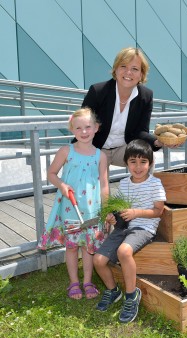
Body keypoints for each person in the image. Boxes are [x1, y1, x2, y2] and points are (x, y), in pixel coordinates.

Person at [39, 108, 109, 299]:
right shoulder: (66, 151)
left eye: (88, 127)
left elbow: (104, 183)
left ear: (96, 128)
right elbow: (51, 174)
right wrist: (62, 185)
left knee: (88, 246)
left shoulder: (100, 156)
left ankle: (87, 281)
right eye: (79, 128)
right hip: (71, 207)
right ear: (72, 130)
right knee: (71, 246)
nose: (84, 131)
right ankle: (73, 282)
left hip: (92, 209)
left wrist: (107, 209)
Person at [93, 139, 166, 323]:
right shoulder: (124, 183)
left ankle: (131, 295)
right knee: (99, 260)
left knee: (123, 251)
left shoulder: (154, 183)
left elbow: (159, 211)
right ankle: (112, 290)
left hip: (144, 227)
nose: (138, 166)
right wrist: (112, 216)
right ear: (126, 163)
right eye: (133, 161)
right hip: (123, 227)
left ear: (150, 164)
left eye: (143, 162)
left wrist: (137, 213)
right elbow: (118, 209)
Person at [81, 47, 165, 171]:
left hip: (123, 149)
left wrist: (157, 142)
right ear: (116, 69)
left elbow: (141, 131)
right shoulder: (97, 91)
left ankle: (142, 191)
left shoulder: (145, 96)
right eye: (123, 66)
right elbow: (83, 125)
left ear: (141, 74)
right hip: (95, 148)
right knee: (102, 190)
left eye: (134, 69)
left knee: (147, 157)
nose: (128, 72)